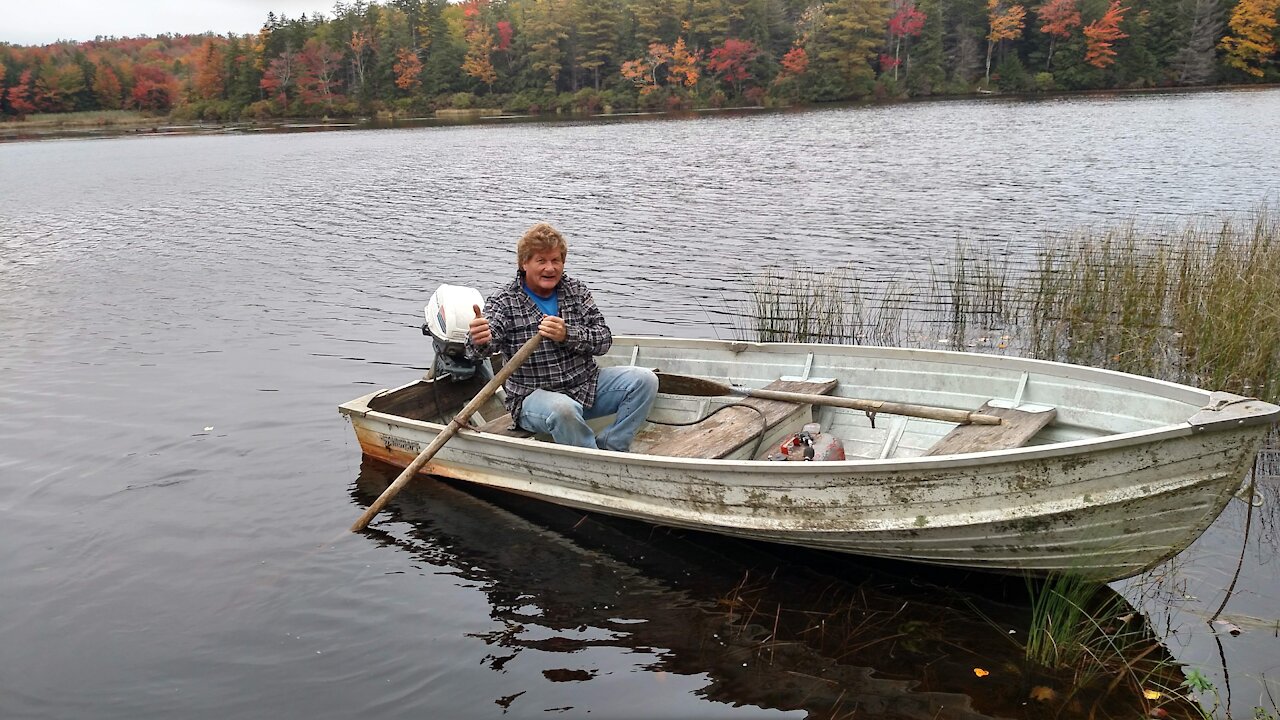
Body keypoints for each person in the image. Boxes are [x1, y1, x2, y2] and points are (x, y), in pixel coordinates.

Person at [465, 222, 658, 452]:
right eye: (541, 261)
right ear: (524, 264)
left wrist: (568, 335)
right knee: (563, 410)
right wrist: (480, 339)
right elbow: (482, 348)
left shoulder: (576, 291)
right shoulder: (504, 300)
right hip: (532, 398)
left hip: (586, 386)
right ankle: (593, 462)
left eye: (556, 260)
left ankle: (612, 447)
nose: (550, 268)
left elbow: (603, 339)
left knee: (645, 380)